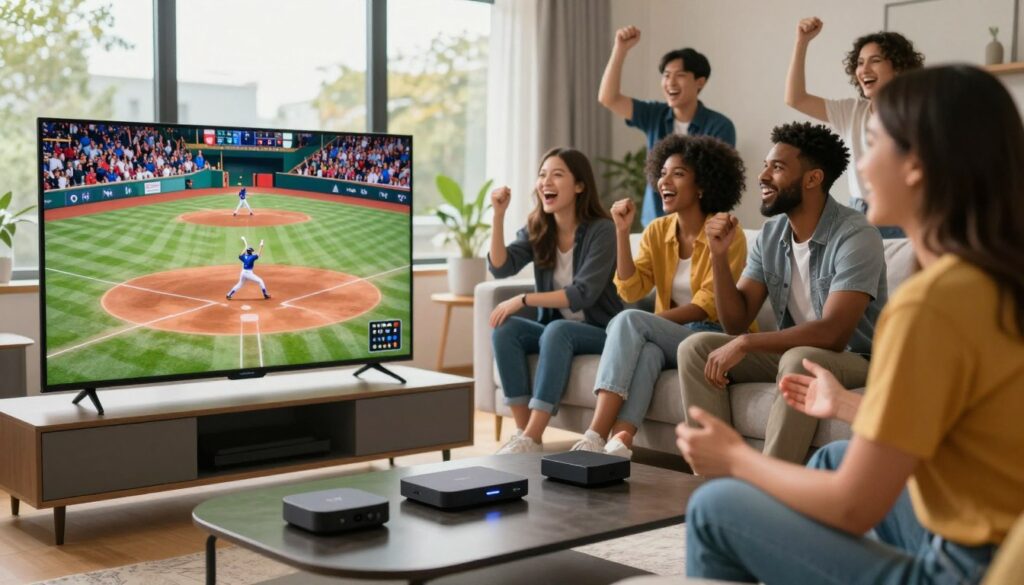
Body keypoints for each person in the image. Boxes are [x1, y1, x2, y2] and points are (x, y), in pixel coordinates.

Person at [677, 64, 1024, 585]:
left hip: (967, 571)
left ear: (917, 165)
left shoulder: (931, 303)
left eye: (874, 142)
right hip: (1005, 537)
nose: (861, 162)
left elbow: (852, 509)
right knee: (835, 456)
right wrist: (840, 404)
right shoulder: (994, 280)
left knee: (715, 508)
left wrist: (735, 460)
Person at [677, 121, 886, 464]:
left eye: (777, 168)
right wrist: (717, 254)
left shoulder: (856, 235)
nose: (763, 176)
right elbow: (736, 321)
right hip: (801, 352)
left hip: (859, 358)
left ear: (813, 179)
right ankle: (718, 480)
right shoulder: (772, 234)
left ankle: (769, 491)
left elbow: (834, 333)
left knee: (799, 360)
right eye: (765, 166)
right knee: (695, 348)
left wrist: (746, 343)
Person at [569, 135, 748, 459]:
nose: (664, 180)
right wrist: (622, 232)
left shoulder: (726, 233)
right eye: (662, 173)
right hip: (670, 339)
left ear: (702, 185)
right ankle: (621, 441)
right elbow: (630, 288)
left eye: (677, 173)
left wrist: (645, 322)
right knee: (648, 351)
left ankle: (594, 433)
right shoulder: (657, 230)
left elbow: (706, 305)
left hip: (714, 338)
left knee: (632, 323)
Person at [489, 147, 623, 454]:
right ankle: (525, 436)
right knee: (505, 329)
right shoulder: (540, 227)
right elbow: (500, 267)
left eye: (557, 174)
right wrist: (498, 216)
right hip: (558, 329)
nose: (546, 181)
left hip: (601, 331)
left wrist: (523, 298)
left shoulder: (602, 231)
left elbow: (583, 293)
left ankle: (533, 434)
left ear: (579, 186)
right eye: (542, 174)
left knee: (557, 329)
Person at [786, 17, 923, 237]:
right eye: (860, 62)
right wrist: (802, 42)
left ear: (898, 68)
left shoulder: (917, 113)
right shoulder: (852, 112)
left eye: (875, 60)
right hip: (859, 212)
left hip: (902, 212)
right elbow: (796, 98)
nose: (864, 69)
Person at [599, 25, 736, 228]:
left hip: (700, 224)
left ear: (700, 82)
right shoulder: (655, 115)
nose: (670, 82)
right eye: (665, 75)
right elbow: (608, 98)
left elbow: (716, 182)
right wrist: (620, 49)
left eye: (679, 75)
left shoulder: (720, 126)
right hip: (655, 223)